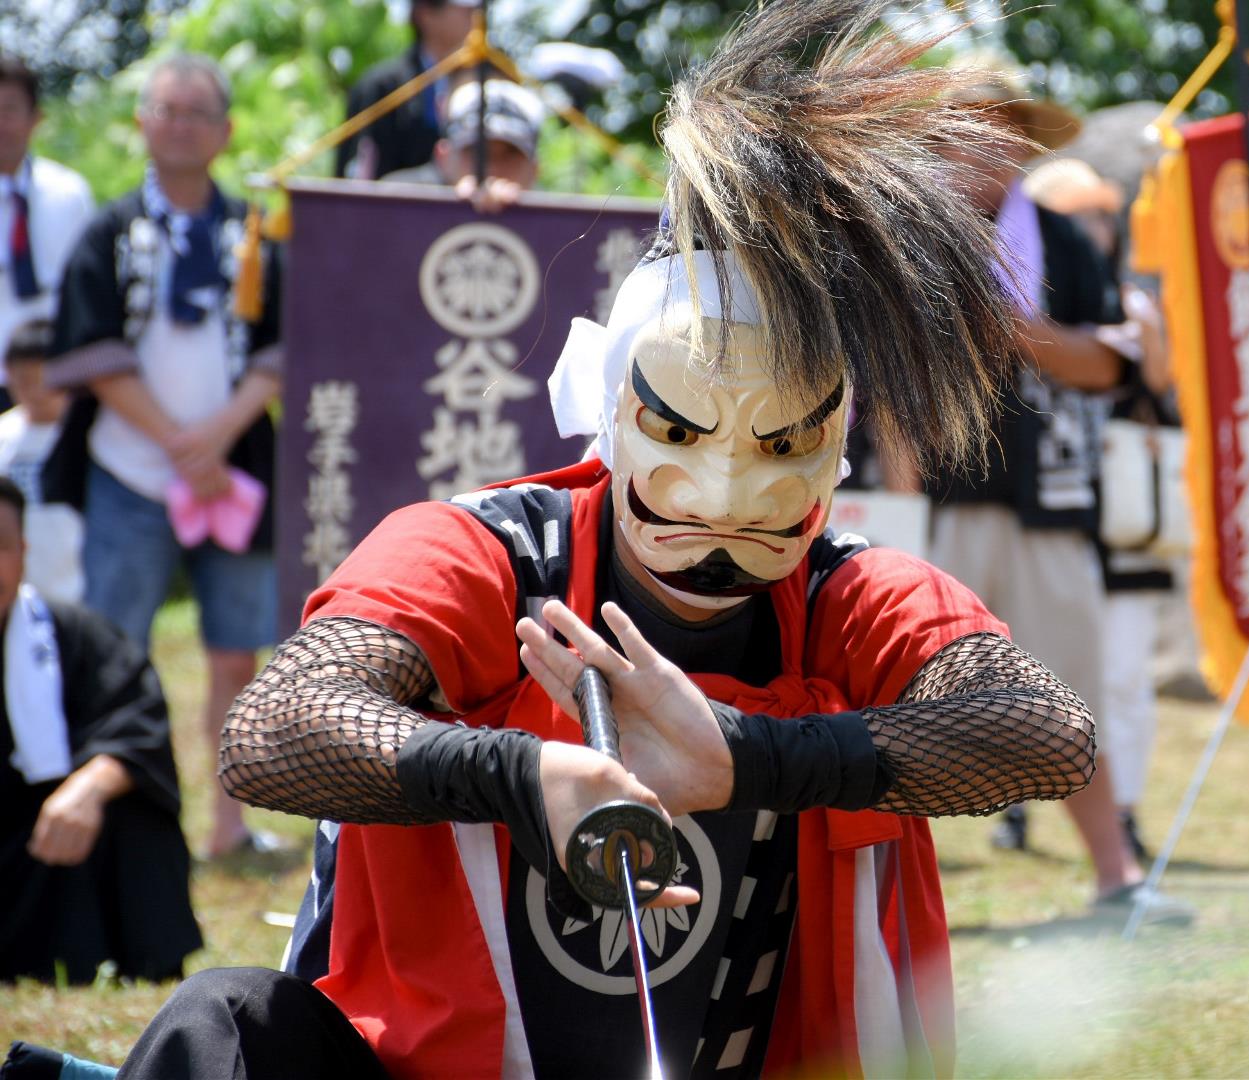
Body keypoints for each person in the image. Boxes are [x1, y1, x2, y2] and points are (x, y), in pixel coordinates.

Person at [117, 4, 1093, 1077]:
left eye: (780, 446)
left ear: (834, 447)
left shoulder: (847, 596)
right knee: (224, 1026)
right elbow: (278, 728)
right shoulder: (481, 551)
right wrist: (515, 773)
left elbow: (1041, 732)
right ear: (609, 406)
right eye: (681, 433)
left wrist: (751, 759)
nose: (724, 493)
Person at [893, 64, 1167, 914]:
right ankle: (888, 893)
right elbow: (888, 385)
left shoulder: (1062, 236)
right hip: (940, 507)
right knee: (905, 700)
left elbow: (1109, 366)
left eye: (998, 125)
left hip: (1049, 501)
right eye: (962, 126)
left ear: (1019, 141)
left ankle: (1116, 881)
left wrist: (1015, 330)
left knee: (1070, 695)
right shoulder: (907, 236)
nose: (981, 141)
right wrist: (898, 517)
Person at [42, 53, 284, 861]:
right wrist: (182, 446)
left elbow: (279, 350)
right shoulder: (108, 231)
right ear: (142, 122)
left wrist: (214, 440)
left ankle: (228, 823)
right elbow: (93, 353)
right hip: (129, 470)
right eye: (164, 109)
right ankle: (122, 823)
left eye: (195, 112)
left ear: (225, 132)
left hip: (230, 470)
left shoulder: (253, 231)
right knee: (116, 650)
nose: (178, 124)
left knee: (232, 655)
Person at [1025, 155, 1180, 862]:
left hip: (1121, 510)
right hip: (1045, 501)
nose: (1094, 228)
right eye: (1076, 213)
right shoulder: (1018, 282)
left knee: (1116, 673)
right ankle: (1020, 806)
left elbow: (1155, 379)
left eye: (1099, 215)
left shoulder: (1130, 298)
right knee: (1027, 665)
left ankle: (1123, 812)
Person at [0, 476, 200, 984]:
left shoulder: (73, 634)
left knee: (132, 808)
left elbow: (136, 720)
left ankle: (137, 966)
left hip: (43, 846)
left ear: (22, 552)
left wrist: (89, 787)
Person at [0, 56, 95, 406]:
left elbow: (87, 292)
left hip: (53, 381)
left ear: (35, 118)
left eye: (9, 110)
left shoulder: (68, 194)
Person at [336, 0, 480, 180]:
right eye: (465, 11)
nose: (475, 18)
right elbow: (356, 178)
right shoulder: (381, 87)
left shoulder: (488, 85)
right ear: (425, 14)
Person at [0, 321, 81, 603]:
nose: (36, 393)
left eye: (44, 382)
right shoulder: (4, 435)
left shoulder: (86, 434)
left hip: (79, 578)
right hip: (22, 586)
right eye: (25, 382)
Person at [384, 77, 544, 214]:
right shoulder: (394, 201)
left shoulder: (556, 223)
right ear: (443, 156)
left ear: (535, 169)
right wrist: (453, 211)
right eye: (476, 152)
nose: (491, 169)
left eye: (510, 154)